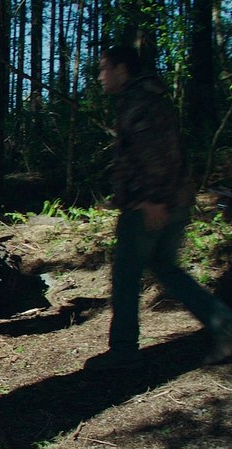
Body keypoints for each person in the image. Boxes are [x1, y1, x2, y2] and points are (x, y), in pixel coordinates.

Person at [84, 46, 232, 370]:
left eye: (104, 68)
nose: (100, 76)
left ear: (122, 69)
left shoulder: (140, 103)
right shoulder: (149, 99)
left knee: (126, 276)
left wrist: (151, 200)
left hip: (150, 205)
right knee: (166, 268)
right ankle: (224, 326)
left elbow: (156, 154)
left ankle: (123, 351)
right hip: (170, 199)